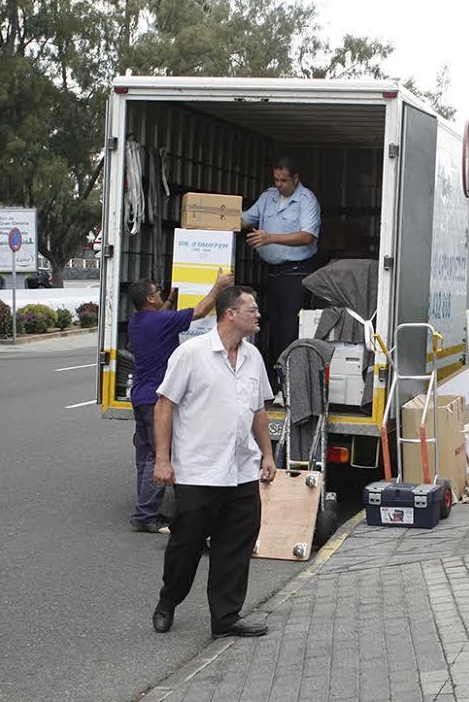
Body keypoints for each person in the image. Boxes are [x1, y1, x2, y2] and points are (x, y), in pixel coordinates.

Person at [150, 285, 276, 638]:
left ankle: (225, 618)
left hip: (241, 469)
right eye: (252, 309)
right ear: (231, 314)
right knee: (185, 545)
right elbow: (164, 406)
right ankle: (168, 600)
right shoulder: (192, 353)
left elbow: (258, 409)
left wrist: (267, 453)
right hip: (199, 470)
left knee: (235, 547)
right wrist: (163, 459)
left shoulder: (253, 357)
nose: (258, 315)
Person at [126, 271, 233, 533]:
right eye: (158, 292)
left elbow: (161, 314)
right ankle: (146, 515)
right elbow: (199, 311)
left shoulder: (138, 322)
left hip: (139, 395)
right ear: (150, 299)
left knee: (144, 457)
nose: (161, 293)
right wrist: (218, 287)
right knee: (157, 455)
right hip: (156, 399)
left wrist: (170, 300)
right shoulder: (161, 321)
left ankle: (145, 509)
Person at [241, 157, 321, 389]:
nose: (279, 184)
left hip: (296, 274)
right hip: (274, 273)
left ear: (296, 178)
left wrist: (270, 237)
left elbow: (307, 236)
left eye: (283, 180)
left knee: (290, 329)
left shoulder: (307, 200)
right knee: (273, 327)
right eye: (275, 179)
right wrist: (214, 217)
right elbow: (246, 219)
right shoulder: (268, 197)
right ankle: (276, 382)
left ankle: (291, 385)